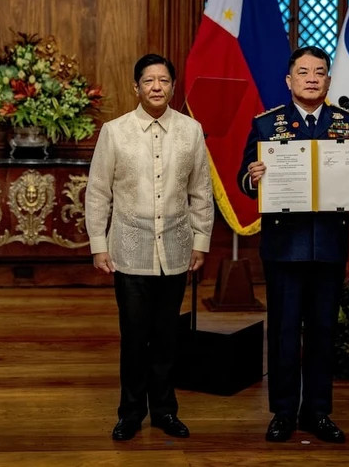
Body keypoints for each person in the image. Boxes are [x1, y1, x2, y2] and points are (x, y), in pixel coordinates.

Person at [238, 46, 349, 444]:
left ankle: (317, 412)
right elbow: (243, 181)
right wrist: (254, 176)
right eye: (303, 72)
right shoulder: (269, 124)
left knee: (322, 331)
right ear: (290, 80)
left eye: (319, 72)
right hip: (284, 248)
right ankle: (283, 413)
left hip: (329, 246)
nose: (312, 78)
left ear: (328, 81)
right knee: (284, 332)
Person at [85, 53, 214, 441]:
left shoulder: (191, 131)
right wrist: (97, 244)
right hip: (128, 250)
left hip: (176, 249)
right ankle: (129, 413)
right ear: (136, 87)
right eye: (148, 81)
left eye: (163, 80)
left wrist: (202, 240)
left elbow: (201, 191)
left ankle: (164, 411)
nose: (156, 87)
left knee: (167, 338)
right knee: (134, 337)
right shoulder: (115, 131)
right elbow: (97, 193)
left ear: (173, 86)